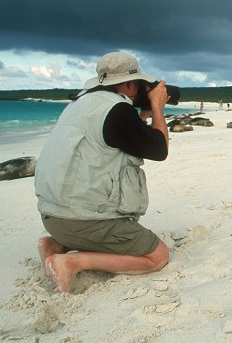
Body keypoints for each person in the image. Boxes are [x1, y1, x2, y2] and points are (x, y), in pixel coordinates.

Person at [35, 51, 171, 293]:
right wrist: (158, 108)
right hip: (84, 223)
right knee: (157, 256)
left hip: (53, 218)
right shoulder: (117, 110)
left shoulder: (79, 103)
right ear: (130, 84)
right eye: (138, 84)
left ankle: (54, 246)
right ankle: (70, 262)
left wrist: (142, 116)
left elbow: (116, 137)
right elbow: (160, 150)